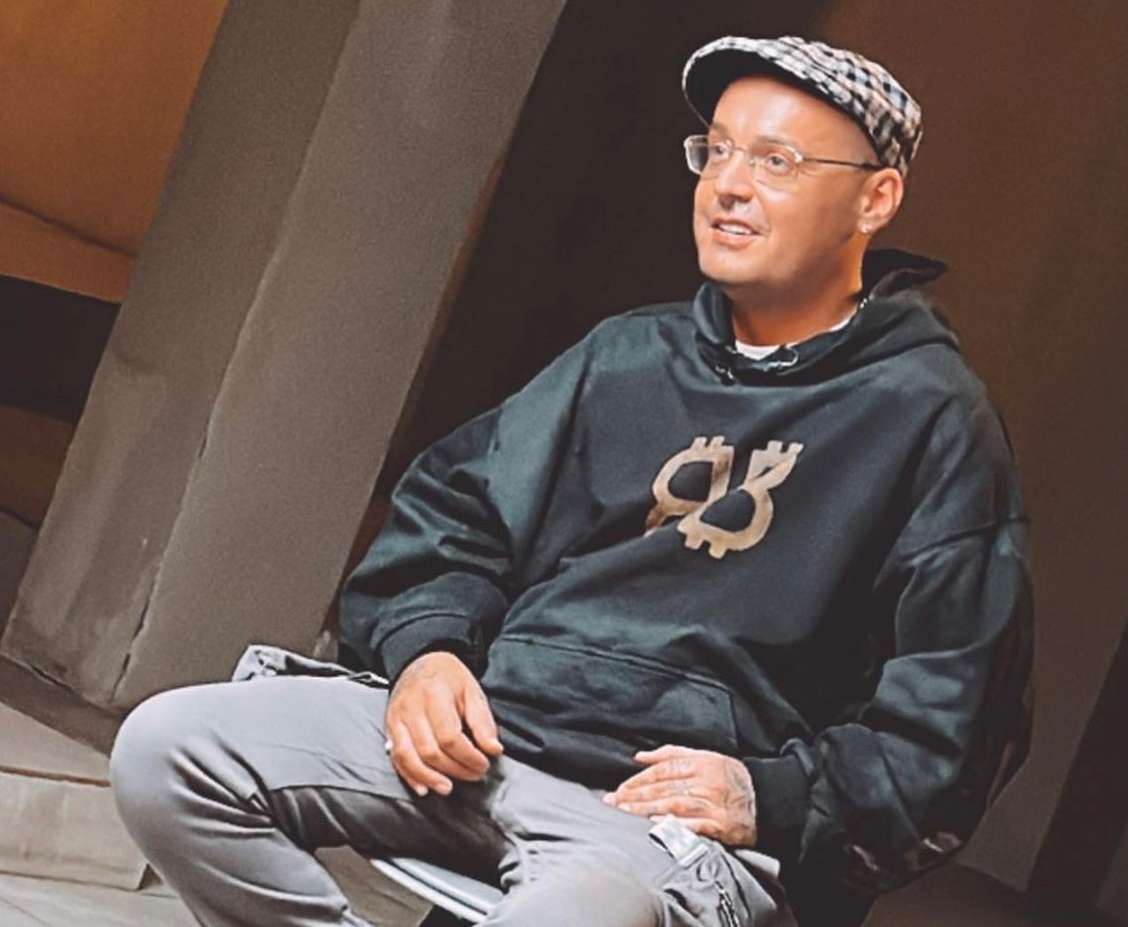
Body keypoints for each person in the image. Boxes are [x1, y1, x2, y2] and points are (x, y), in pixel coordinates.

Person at [109, 34, 1034, 927]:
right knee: (170, 750)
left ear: (876, 199)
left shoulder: (929, 417)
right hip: (485, 746)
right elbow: (454, 516)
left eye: (777, 161)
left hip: (646, 827)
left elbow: (958, 721)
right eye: (715, 151)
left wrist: (774, 794)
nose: (728, 185)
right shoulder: (624, 357)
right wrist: (428, 652)